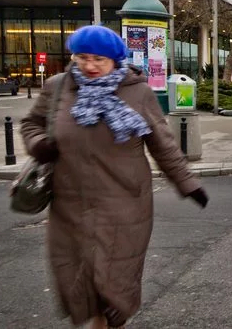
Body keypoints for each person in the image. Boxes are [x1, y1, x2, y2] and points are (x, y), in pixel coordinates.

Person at [21, 26, 208, 329]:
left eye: (99, 59)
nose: (90, 65)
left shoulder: (138, 92)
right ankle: (98, 320)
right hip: (71, 203)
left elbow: (163, 144)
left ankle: (112, 319)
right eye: (83, 57)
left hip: (124, 202)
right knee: (79, 274)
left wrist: (187, 183)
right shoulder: (57, 88)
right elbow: (31, 124)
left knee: (115, 279)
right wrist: (38, 143)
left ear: (115, 60)